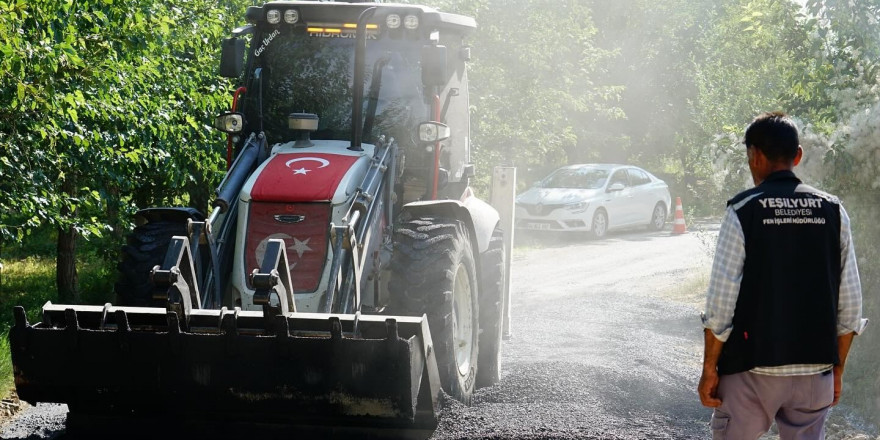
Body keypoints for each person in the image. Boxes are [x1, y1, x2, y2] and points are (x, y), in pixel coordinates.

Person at [698, 112, 867, 439]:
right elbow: (850, 307)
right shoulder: (833, 211)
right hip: (815, 374)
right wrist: (837, 370)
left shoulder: (743, 210)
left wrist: (709, 370)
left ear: (755, 156)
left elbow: (721, 306)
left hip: (751, 372)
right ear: (798, 156)